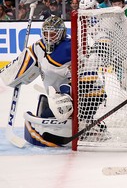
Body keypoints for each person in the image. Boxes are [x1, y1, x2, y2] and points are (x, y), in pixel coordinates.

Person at [1, 16, 108, 146]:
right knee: (47, 108)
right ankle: (86, 123)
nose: (49, 37)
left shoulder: (69, 46)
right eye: (46, 33)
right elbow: (14, 72)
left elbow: (48, 66)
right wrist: (17, 71)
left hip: (82, 93)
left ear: (61, 33)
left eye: (52, 34)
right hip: (60, 94)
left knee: (62, 105)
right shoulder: (38, 47)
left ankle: (87, 123)